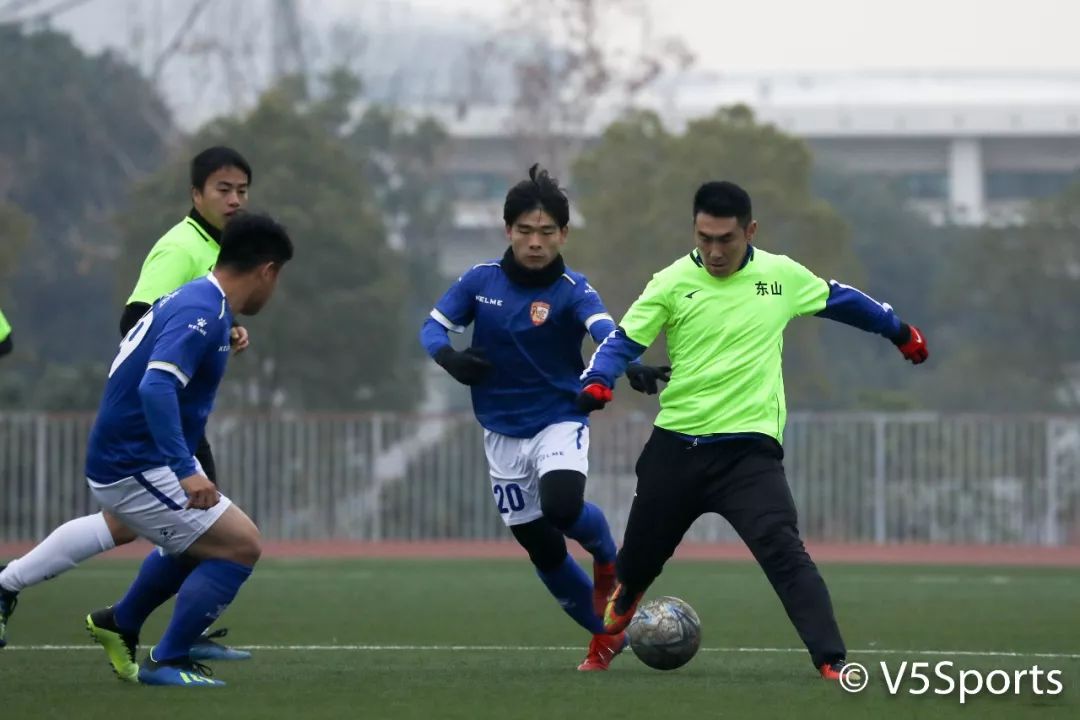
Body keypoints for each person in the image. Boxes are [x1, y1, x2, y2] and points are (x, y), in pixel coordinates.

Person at [576, 180, 928, 681]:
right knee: (636, 564)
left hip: (748, 454)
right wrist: (598, 381)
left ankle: (832, 660)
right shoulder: (671, 282)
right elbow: (622, 341)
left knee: (784, 550)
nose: (715, 251)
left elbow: (844, 301)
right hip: (676, 449)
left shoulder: (780, 276)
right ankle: (623, 603)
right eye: (705, 239)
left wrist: (900, 332)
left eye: (726, 239)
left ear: (750, 231)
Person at [0, 147, 253, 659]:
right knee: (212, 530)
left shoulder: (215, 248)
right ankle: (155, 629)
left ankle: (12, 585)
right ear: (196, 194)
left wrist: (228, 331)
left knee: (124, 525)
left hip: (173, 413)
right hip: (160, 413)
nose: (234, 200)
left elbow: (189, 321)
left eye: (242, 191)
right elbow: (137, 320)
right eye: (223, 189)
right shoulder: (181, 247)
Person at [420, 165, 670, 671]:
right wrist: (450, 358)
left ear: (564, 235)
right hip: (500, 431)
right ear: (507, 230)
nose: (535, 242)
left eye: (547, 232)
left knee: (561, 507)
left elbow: (605, 331)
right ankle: (605, 635)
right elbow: (432, 328)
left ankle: (607, 558)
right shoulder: (479, 281)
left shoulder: (574, 289)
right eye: (525, 231)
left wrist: (629, 364)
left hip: (560, 417)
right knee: (540, 546)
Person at [83, 212, 292, 686]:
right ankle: (167, 660)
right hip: (132, 464)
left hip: (136, 457)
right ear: (267, 271)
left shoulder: (203, 301)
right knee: (240, 545)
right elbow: (156, 386)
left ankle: (121, 622)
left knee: (201, 539)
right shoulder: (203, 311)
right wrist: (185, 469)